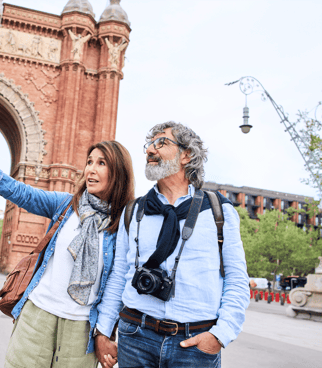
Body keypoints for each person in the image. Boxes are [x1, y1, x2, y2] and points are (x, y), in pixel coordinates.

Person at [0, 135, 135, 367]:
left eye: (101, 163)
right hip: (37, 317)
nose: (91, 170)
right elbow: (16, 191)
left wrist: (103, 332)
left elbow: (118, 282)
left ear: (119, 172)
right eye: (90, 162)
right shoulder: (66, 205)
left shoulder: (124, 223)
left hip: (81, 329)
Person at [94, 122, 250, 368]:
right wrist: (103, 331)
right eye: (149, 144)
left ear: (186, 155)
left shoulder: (219, 211)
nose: (150, 150)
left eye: (161, 143)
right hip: (135, 337)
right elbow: (118, 275)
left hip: (195, 345)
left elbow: (236, 278)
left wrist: (220, 336)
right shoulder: (133, 211)